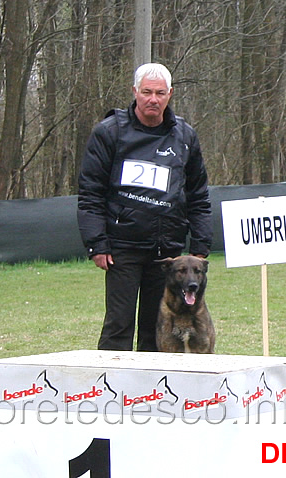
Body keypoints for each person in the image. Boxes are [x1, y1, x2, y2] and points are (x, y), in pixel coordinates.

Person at [77, 63, 212, 352]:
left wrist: (201, 243)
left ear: (170, 94)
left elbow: (198, 194)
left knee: (158, 328)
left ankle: (154, 394)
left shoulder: (185, 136)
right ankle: (110, 391)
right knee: (119, 324)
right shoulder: (109, 132)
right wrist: (96, 243)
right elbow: (90, 193)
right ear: (135, 92)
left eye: (160, 93)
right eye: (147, 92)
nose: (153, 99)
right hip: (121, 248)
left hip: (167, 252)